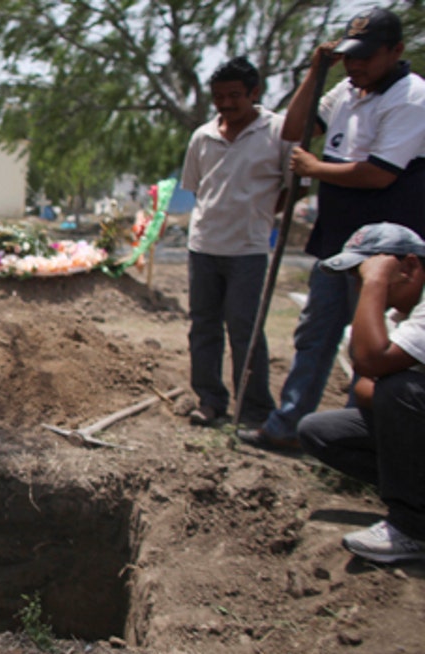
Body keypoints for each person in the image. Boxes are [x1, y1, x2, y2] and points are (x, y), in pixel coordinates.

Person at [239, 7, 425, 450]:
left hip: (385, 250)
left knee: (371, 343)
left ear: (395, 51)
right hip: (339, 241)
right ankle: (287, 427)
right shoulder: (344, 90)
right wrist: (316, 73)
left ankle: (360, 436)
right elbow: (295, 128)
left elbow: (380, 173)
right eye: (349, 56)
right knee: (315, 333)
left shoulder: (411, 97)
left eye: (365, 56)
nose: (355, 65)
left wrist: (315, 168)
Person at [298, 223, 425, 563]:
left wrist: (375, 283)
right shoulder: (398, 316)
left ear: (410, 267)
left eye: (364, 275)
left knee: (401, 390)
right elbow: (364, 385)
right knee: (320, 431)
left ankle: (412, 527)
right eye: (359, 277)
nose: (360, 286)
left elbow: (373, 366)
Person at [179, 57, 288, 427]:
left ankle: (254, 409)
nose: (225, 104)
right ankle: (210, 400)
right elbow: (196, 188)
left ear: (255, 93)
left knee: (245, 329)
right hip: (204, 246)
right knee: (203, 327)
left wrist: (259, 215)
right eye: (219, 97)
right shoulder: (203, 136)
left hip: (248, 249)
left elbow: (293, 188)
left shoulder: (278, 132)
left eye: (234, 96)